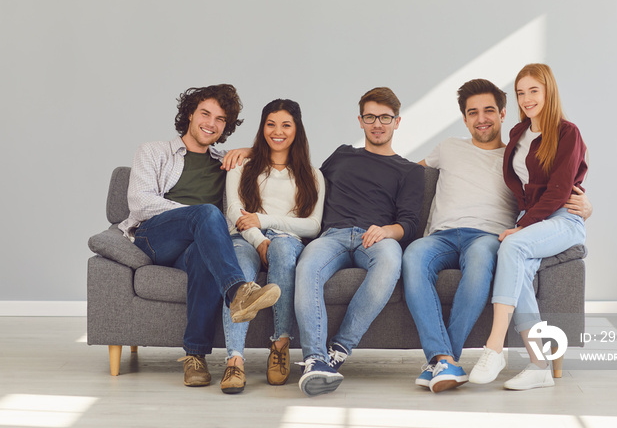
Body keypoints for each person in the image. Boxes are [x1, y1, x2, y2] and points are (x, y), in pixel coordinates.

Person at [403, 79, 592, 394]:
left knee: (481, 263)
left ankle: (448, 359)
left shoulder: (516, 159)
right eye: (473, 112)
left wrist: (584, 203)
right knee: (411, 256)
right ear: (464, 119)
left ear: (504, 114)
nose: (481, 118)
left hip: (488, 237)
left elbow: (552, 183)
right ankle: (444, 358)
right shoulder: (448, 147)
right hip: (441, 237)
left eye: (489, 110)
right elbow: (405, 176)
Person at [118, 84, 281, 388]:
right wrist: (194, 214)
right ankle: (238, 293)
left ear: (225, 127)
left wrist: (250, 151)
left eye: (220, 119)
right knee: (207, 213)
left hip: (194, 245)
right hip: (155, 236)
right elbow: (140, 203)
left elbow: (280, 156)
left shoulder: (225, 163)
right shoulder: (153, 151)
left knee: (206, 258)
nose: (211, 123)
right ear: (190, 114)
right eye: (205, 114)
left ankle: (195, 357)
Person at [294, 87, 425, 397]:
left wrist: (386, 230)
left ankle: (338, 349)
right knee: (307, 267)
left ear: (397, 121)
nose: (377, 123)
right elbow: (303, 179)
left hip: (376, 237)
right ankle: (314, 359)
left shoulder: (409, 171)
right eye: (370, 117)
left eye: (384, 117)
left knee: (391, 261)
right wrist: (250, 153)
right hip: (333, 235)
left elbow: (410, 223)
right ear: (360, 120)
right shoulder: (342, 155)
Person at [468, 64, 588, 390]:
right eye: (521, 93)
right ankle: (539, 366)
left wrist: (523, 227)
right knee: (515, 264)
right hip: (532, 223)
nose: (527, 98)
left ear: (548, 91)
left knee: (512, 246)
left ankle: (495, 347)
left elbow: (560, 190)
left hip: (563, 219)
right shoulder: (518, 135)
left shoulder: (567, 133)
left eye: (533, 90)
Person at [220, 99, 325, 394]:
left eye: (286, 125)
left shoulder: (313, 175)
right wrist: (260, 239)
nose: (277, 131)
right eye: (270, 124)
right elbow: (234, 213)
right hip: (245, 239)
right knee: (239, 269)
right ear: (262, 127)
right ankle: (234, 360)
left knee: (282, 248)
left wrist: (266, 222)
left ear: (297, 130)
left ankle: (280, 345)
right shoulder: (241, 166)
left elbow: (313, 225)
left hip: (287, 240)